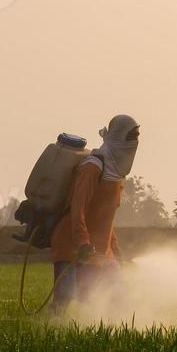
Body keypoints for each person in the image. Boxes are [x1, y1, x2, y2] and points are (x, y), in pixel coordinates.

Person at [50, 115, 139, 308]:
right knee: (63, 301)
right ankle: (47, 334)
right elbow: (77, 209)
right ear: (118, 137)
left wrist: (115, 249)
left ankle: (111, 336)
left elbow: (104, 218)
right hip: (72, 246)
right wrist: (82, 242)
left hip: (100, 252)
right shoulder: (92, 167)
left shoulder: (116, 175)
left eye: (137, 137)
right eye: (131, 136)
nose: (135, 142)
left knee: (118, 300)